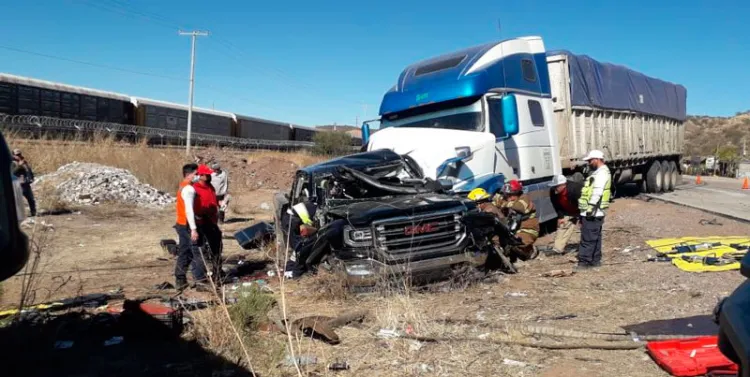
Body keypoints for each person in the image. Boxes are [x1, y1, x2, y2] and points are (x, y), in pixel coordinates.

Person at [577, 150, 612, 270]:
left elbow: (597, 191)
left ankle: (584, 262)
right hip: (596, 211)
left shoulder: (601, 174)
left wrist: (590, 207)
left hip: (592, 211)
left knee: (588, 238)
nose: (588, 163)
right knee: (595, 237)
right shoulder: (600, 172)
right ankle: (595, 260)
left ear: (597, 159)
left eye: (590, 160)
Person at [491, 180, 540, 261]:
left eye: (510, 195)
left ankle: (530, 250)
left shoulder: (524, 198)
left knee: (516, 242)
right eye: (506, 195)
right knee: (495, 241)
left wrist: (504, 203)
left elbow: (520, 207)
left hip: (528, 228)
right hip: (511, 228)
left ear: (517, 193)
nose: (509, 198)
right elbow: (493, 206)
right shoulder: (506, 199)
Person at [192, 164, 223, 286]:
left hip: (212, 221)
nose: (209, 176)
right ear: (200, 175)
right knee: (202, 251)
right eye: (206, 174)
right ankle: (201, 278)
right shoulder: (195, 189)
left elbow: (213, 201)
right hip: (201, 223)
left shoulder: (210, 187)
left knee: (217, 247)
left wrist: (219, 204)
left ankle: (218, 273)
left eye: (209, 174)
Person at [174, 163, 200, 290]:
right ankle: (181, 278)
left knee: (186, 251)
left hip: (182, 222)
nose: (198, 176)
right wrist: (193, 229)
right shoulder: (189, 189)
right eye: (196, 174)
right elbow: (189, 210)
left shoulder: (183, 186)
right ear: (189, 175)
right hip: (186, 224)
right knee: (188, 251)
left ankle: (181, 278)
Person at [548, 174, 583, 255]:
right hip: (568, 211)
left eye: (556, 186)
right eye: (554, 186)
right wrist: (560, 217)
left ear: (563, 185)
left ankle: (586, 247)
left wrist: (582, 218)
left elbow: (583, 204)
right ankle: (557, 249)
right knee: (562, 226)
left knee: (585, 228)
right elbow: (556, 205)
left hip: (580, 209)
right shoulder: (553, 191)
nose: (554, 188)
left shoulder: (575, 189)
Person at [11, 149, 36, 217]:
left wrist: (32, 177)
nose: (19, 156)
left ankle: (33, 213)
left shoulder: (24, 162)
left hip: (26, 183)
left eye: (20, 154)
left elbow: (28, 170)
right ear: (13, 155)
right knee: (17, 201)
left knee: (31, 199)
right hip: (18, 184)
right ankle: (17, 215)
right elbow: (12, 173)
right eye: (17, 155)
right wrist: (19, 166)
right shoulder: (13, 163)